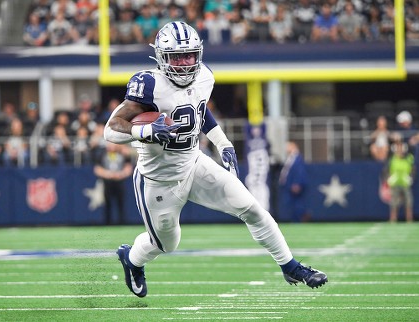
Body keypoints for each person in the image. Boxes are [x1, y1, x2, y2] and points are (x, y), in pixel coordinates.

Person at [104, 21, 327, 298]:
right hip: (158, 180)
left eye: (189, 56)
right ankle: (132, 259)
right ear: (161, 58)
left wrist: (223, 142)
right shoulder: (148, 84)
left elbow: (199, 112)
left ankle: (291, 266)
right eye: (177, 57)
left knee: (252, 208)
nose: (185, 64)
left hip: (194, 163)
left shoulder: (205, 76)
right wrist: (145, 130)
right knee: (165, 244)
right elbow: (110, 129)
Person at [93, 142, 133, 225]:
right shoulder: (102, 154)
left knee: (120, 202)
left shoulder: (123, 153)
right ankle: (107, 222)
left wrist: (121, 174)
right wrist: (108, 174)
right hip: (107, 182)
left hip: (119, 181)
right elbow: (97, 168)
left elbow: (128, 167)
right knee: (107, 203)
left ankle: (122, 221)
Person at [278, 141, 310, 222]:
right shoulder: (291, 158)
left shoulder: (297, 158)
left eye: (288, 147)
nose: (286, 149)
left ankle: (301, 218)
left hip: (295, 186)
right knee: (292, 205)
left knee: (298, 204)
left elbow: (300, 171)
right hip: (289, 186)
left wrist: (297, 183)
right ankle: (296, 219)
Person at [385, 141, 415, 223]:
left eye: (401, 147)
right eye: (398, 148)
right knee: (394, 203)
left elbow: (413, 169)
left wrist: (411, 178)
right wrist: (389, 178)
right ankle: (393, 219)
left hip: (405, 183)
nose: (399, 149)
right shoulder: (392, 159)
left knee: (408, 202)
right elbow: (386, 170)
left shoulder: (409, 158)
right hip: (395, 183)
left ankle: (409, 219)